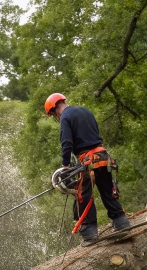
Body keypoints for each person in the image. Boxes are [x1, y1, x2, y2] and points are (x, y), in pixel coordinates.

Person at [46, 93, 130, 242]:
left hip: (87, 161)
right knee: (107, 190)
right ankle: (121, 222)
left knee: (83, 196)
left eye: (53, 115)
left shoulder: (65, 117)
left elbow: (67, 143)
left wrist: (65, 166)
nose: (56, 117)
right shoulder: (86, 111)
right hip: (103, 157)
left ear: (54, 110)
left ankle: (90, 233)